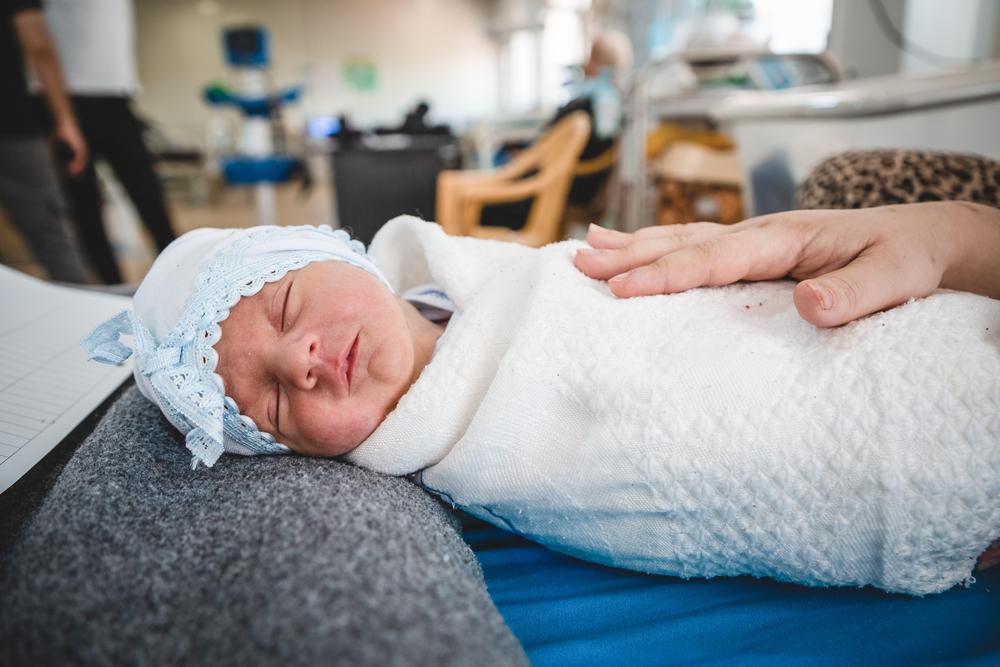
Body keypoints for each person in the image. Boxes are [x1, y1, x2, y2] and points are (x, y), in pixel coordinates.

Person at [82, 204, 1000, 594]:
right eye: (277, 405)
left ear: (334, 248)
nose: (308, 360)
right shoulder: (460, 452)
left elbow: (627, 293)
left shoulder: (494, 276)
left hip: (903, 326)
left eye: (286, 306)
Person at [42, 0, 176, 284]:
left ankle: (180, 279)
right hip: (67, 100)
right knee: (86, 209)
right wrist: (63, 118)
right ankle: (112, 289)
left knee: (150, 199)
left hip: (116, 100)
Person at [0, 0, 91, 282]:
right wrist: (65, 120)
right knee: (52, 237)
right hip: (12, 124)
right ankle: (85, 319)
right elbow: (38, 44)